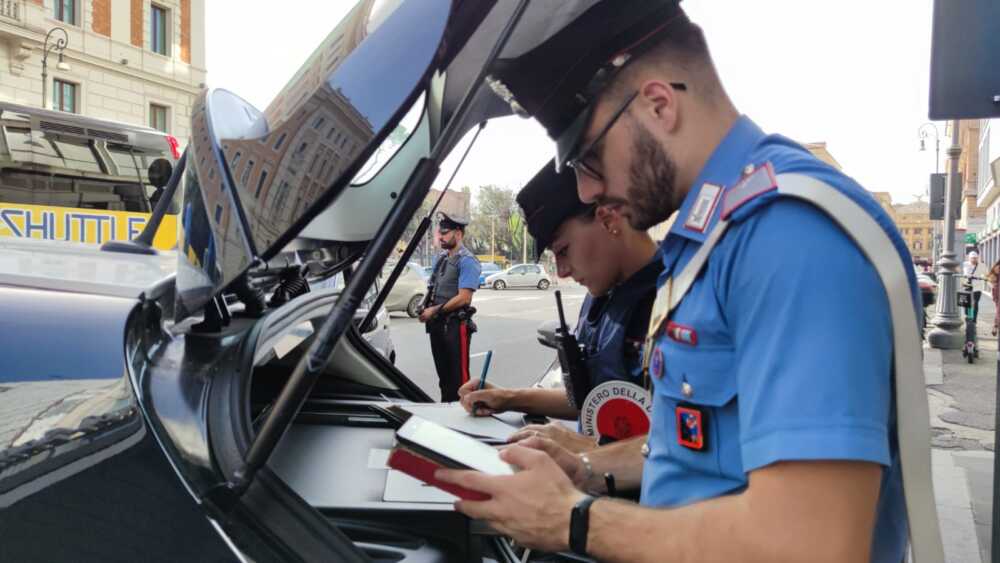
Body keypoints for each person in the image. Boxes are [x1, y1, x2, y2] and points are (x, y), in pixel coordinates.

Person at [435, 3, 931, 562]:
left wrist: (572, 521)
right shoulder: (711, 236)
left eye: (587, 158)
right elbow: (697, 450)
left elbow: (811, 543)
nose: (587, 191)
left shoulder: (789, 237)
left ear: (658, 104)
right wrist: (589, 467)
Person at [457, 164, 663, 454]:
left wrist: (589, 451)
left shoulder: (679, 298)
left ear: (608, 219)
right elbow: (588, 399)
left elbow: (693, 447)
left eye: (563, 250)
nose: (563, 271)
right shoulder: (602, 293)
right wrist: (507, 397)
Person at [419, 212, 481, 402]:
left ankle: (464, 416)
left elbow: (464, 297)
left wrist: (434, 310)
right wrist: (424, 305)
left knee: (459, 381)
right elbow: (433, 287)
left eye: (445, 233)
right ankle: (447, 413)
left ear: (459, 234)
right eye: (440, 232)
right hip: (437, 326)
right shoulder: (442, 258)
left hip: (456, 326)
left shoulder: (467, 261)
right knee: (444, 378)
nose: (441, 237)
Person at [963, 251, 985, 321]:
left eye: (975, 258)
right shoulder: (965, 264)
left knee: (975, 303)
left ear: (977, 258)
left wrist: (983, 277)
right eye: (972, 258)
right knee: (967, 303)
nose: (974, 260)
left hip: (977, 287)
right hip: (967, 286)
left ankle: (974, 319)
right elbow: (960, 272)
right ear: (969, 258)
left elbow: (986, 274)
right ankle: (969, 315)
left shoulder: (982, 265)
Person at [988, 259, 1000, 336]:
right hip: (997, 291)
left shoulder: (996, 267)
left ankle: (995, 326)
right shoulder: (998, 267)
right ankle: (996, 325)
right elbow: (992, 278)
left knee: (998, 309)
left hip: (996, 291)